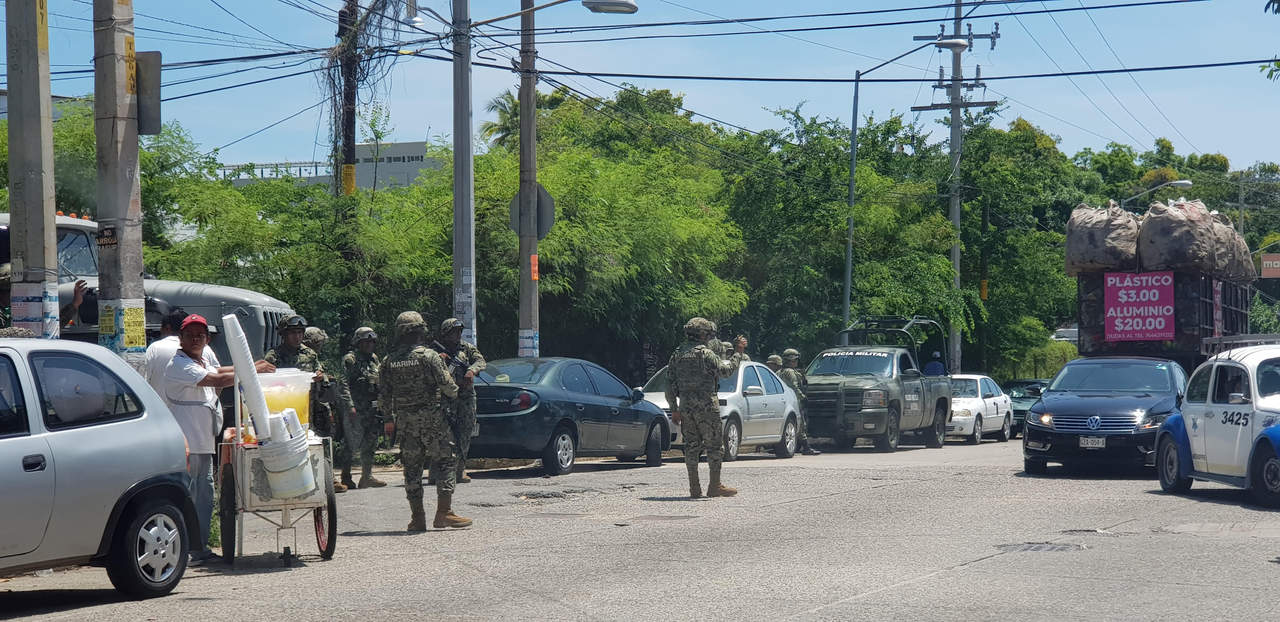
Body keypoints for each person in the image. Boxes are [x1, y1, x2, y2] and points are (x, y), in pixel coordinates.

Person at [162, 314, 274, 565]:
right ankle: (188, 550)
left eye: (200, 335)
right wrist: (253, 370)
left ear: (207, 339)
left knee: (204, 497)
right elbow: (217, 379)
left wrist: (251, 364)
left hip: (203, 444)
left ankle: (199, 547)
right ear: (180, 338)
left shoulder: (200, 360)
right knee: (190, 497)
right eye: (189, 335)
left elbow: (221, 370)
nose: (195, 339)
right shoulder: (179, 365)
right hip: (188, 445)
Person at [379, 311, 469, 532]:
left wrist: (389, 420)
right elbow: (449, 388)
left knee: (412, 468)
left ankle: (417, 518)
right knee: (447, 461)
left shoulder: (388, 361)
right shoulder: (429, 356)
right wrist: (457, 390)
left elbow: (384, 397)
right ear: (421, 330)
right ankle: (444, 513)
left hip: (406, 422)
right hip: (433, 420)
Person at [666, 317, 745, 499]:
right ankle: (715, 486)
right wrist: (738, 352)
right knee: (714, 446)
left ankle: (694, 488)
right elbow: (725, 371)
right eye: (707, 333)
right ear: (702, 334)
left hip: (686, 406)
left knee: (691, 446)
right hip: (707, 406)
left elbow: (669, 383)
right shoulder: (705, 353)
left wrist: (674, 408)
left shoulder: (677, 354)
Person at [266, 315, 346, 492]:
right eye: (293, 333)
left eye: (300, 333)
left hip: (312, 407)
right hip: (285, 409)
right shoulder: (274, 356)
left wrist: (321, 376)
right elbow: (268, 382)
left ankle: (329, 478)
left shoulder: (309, 354)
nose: (297, 337)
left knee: (321, 440)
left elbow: (321, 372)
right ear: (283, 335)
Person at [431, 318, 486, 484]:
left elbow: (481, 361)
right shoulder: (434, 351)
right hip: (443, 398)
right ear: (445, 333)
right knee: (441, 436)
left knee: (464, 434)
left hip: (465, 398)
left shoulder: (466, 348)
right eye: (454, 332)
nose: (457, 335)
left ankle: (460, 471)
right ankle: (435, 472)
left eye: (459, 331)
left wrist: (471, 370)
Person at [340, 326, 385, 489]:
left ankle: (367, 476)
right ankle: (346, 476)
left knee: (370, 443)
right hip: (356, 410)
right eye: (366, 342)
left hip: (372, 408)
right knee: (351, 444)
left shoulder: (374, 359)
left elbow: (379, 379)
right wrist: (350, 406)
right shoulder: (350, 359)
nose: (369, 345)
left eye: (372, 342)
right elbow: (343, 383)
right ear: (358, 342)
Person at [780, 348, 821, 456]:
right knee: (801, 424)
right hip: (795, 401)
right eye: (795, 360)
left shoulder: (780, 372)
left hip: (787, 401)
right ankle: (806, 447)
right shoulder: (790, 372)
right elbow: (795, 386)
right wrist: (802, 397)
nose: (796, 362)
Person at [144, 308, 192, 395]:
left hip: (160, 406)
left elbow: (143, 378)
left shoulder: (155, 348)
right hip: (194, 407)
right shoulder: (203, 348)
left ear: (167, 328)